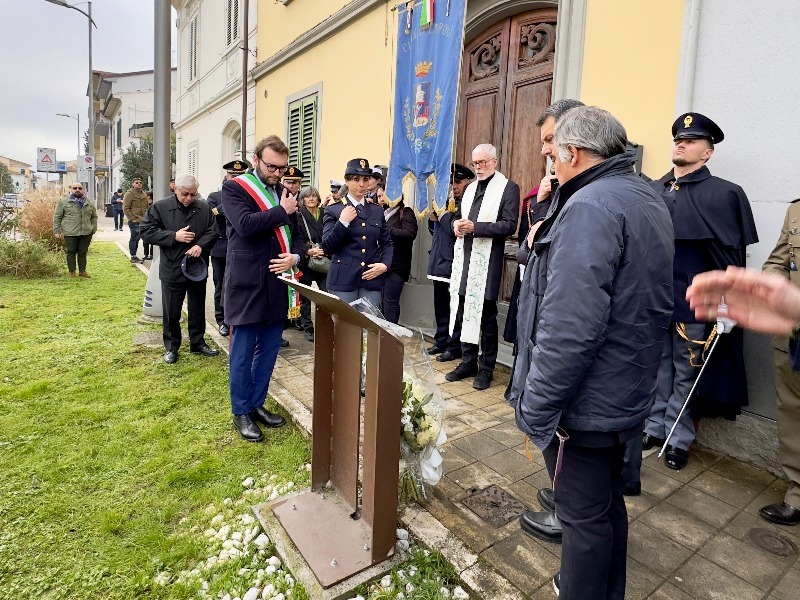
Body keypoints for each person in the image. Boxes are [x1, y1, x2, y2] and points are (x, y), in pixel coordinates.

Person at [508, 106, 674, 599]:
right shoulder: (643, 194)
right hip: (624, 385)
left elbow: (570, 327)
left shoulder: (589, 205)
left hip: (586, 400)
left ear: (573, 153)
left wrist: (537, 407)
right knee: (605, 506)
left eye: (553, 151)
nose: (549, 158)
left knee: (581, 517)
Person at [642, 113, 758, 471]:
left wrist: (728, 304)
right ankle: (654, 427)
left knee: (686, 374)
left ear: (707, 152)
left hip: (694, 305)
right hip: (655, 301)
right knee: (657, 369)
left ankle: (677, 438)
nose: (681, 144)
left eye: (691, 141)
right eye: (679, 139)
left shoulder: (724, 194)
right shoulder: (654, 189)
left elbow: (732, 259)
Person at [512, 98, 584, 545]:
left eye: (550, 140)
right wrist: (540, 208)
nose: (544, 151)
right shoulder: (559, 193)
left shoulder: (588, 201)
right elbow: (528, 251)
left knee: (565, 431)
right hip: (539, 330)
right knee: (555, 435)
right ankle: (562, 497)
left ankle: (568, 513)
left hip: (562, 342)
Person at [222, 135, 300, 441]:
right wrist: (282, 211)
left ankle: (256, 404)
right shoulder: (235, 188)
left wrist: (295, 256)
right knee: (242, 354)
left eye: (282, 168)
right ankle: (240, 411)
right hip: (247, 284)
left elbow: (298, 237)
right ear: (256, 160)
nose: (278, 173)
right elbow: (245, 225)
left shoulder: (284, 192)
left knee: (268, 351)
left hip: (277, 283)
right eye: (272, 167)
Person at [446, 144, 519, 390]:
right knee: (464, 309)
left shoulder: (508, 188)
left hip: (488, 262)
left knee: (486, 315)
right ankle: (468, 362)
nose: (478, 167)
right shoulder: (469, 189)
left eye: (483, 162)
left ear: (495, 162)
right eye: (475, 163)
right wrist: (456, 225)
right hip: (465, 259)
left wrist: (475, 228)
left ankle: (486, 368)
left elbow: (509, 225)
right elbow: (458, 215)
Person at [139, 174, 219, 364]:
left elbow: (213, 231)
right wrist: (173, 236)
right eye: (185, 194)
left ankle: (198, 343)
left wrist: (200, 245)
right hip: (172, 266)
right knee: (172, 310)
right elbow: (146, 231)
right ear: (175, 189)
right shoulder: (160, 207)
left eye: (193, 194)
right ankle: (171, 347)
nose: (189, 198)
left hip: (196, 266)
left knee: (197, 307)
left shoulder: (204, 208)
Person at [760, 203, 800, 526]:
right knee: (792, 410)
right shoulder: (796, 211)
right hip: (794, 334)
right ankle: (797, 493)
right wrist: (779, 292)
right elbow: (776, 263)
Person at [322, 158, 393, 306]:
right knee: (345, 321)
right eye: (356, 179)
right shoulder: (333, 210)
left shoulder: (377, 210)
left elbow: (387, 243)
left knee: (369, 320)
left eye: (365, 179)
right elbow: (328, 247)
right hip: (343, 279)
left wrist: (385, 265)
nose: (361, 184)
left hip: (371, 278)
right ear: (347, 181)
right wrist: (342, 223)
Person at [427, 163, 474, 360]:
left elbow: (456, 230)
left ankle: (453, 347)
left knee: (455, 309)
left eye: (458, 182)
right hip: (439, 261)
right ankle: (440, 341)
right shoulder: (447, 202)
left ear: (467, 182)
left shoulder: (469, 203)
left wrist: (443, 216)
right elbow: (436, 232)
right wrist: (433, 220)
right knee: (441, 306)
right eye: (452, 182)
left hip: (455, 263)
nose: (454, 186)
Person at [207, 159, 251, 337]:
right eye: (233, 175)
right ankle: (222, 320)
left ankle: (239, 318)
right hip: (221, 248)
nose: (236, 178)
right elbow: (210, 216)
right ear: (227, 176)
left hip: (243, 249)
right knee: (221, 285)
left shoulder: (250, 195)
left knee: (242, 285)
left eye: (240, 175)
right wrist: (228, 200)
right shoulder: (215, 196)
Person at [296, 186, 329, 341]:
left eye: (314, 196)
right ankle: (308, 327)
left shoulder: (325, 213)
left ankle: (326, 325)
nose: (311, 199)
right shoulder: (297, 216)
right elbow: (295, 238)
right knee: (305, 297)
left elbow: (332, 234)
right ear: (302, 200)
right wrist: (308, 250)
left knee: (326, 295)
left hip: (324, 258)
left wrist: (324, 250)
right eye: (307, 196)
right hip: (307, 261)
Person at [381, 195, 418, 324]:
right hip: (381, 263)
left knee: (390, 301)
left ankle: (390, 332)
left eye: (383, 196)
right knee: (381, 300)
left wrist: (387, 230)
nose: (381, 199)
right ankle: (380, 330)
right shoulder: (381, 212)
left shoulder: (405, 212)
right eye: (379, 196)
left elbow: (409, 233)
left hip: (397, 265)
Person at [53, 182, 97, 278]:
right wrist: (56, 231)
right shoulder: (64, 202)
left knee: (83, 252)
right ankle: (72, 271)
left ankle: (82, 271)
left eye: (80, 188)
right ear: (71, 189)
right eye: (75, 188)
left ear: (83, 190)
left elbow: (94, 216)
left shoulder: (89, 202)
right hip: (70, 232)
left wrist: (93, 228)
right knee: (71, 252)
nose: (77, 190)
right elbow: (57, 217)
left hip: (86, 232)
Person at [281, 167, 305, 333]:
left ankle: (295, 318)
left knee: (296, 290)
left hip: (296, 253)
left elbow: (298, 234)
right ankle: (283, 322)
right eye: (288, 182)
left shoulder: (305, 200)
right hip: (280, 254)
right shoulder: (276, 199)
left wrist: (297, 254)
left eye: (294, 182)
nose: (291, 185)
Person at [123, 176, 150, 264]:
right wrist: (132, 219)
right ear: (133, 184)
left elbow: (147, 207)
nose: (139, 184)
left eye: (140, 182)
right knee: (134, 238)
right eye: (137, 182)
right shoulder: (129, 194)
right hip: (134, 220)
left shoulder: (144, 194)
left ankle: (145, 255)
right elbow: (126, 208)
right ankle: (133, 256)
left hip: (144, 220)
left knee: (142, 238)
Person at [143, 191, 154, 261]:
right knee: (145, 240)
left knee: (152, 240)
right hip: (146, 223)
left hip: (152, 223)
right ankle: (146, 254)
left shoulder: (153, 205)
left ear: (149, 197)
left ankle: (151, 254)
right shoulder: (145, 204)